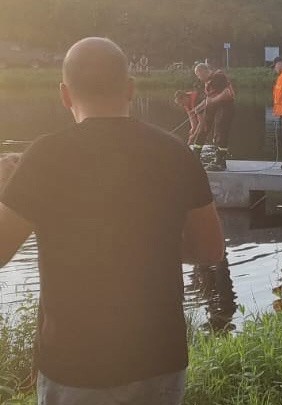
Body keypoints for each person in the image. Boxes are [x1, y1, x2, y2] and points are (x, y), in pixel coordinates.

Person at [0, 37, 225, 404]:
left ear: (64, 94)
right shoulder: (176, 153)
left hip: (75, 364)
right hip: (158, 358)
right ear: (130, 89)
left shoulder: (43, 156)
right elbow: (211, 249)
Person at [193, 63, 235, 171]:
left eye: (198, 75)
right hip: (214, 107)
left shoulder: (218, 76)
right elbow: (209, 97)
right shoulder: (208, 81)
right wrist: (199, 107)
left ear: (203, 71)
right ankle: (195, 156)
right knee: (203, 129)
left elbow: (227, 93)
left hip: (225, 107)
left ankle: (220, 161)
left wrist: (212, 101)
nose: (198, 78)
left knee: (220, 131)